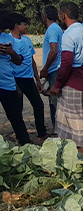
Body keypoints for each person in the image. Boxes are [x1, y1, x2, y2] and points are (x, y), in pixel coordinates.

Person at [49, 3, 83, 152]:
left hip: (73, 78)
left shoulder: (69, 34)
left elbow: (66, 62)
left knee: (73, 114)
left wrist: (58, 83)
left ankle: (81, 146)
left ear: (63, 15)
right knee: (76, 111)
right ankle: (69, 144)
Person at [10, 13, 48, 143]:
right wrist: (14, 84)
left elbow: (32, 60)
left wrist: (37, 80)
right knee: (17, 109)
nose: (26, 26)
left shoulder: (27, 40)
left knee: (38, 105)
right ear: (16, 26)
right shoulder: (8, 40)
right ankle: (21, 136)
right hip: (15, 79)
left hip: (28, 78)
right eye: (24, 24)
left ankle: (42, 133)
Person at [0, 11, 28, 145]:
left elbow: (18, 61)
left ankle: (25, 142)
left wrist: (11, 52)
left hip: (7, 83)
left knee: (16, 117)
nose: (2, 31)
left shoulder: (7, 38)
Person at [39, 6, 63, 134]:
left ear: (44, 17)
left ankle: (56, 128)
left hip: (54, 69)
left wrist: (45, 69)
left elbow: (53, 50)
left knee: (54, 100)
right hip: (54, 69)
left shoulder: (52, 29)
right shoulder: (56, 28)